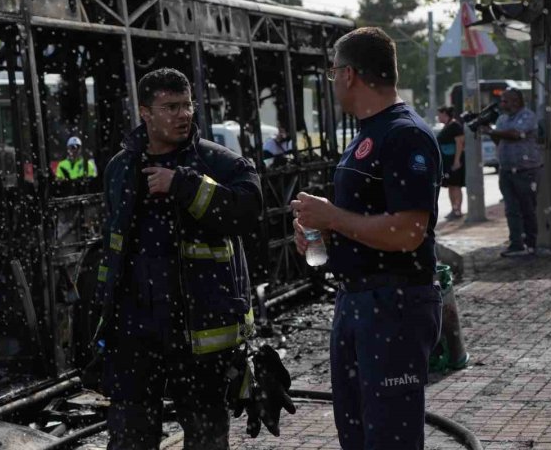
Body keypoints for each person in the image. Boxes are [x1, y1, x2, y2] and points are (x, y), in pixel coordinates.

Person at [94, 67, 266, 450]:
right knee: (129, 436)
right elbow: (112, 247)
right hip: (134, 333)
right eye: (170, 106)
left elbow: (249, 212)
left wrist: (184, 185)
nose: (182, 114)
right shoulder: (121, 169)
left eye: (186, 104)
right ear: (144, 112)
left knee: (205, 435)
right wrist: (101, 317)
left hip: (198, 335)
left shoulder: (220, 164)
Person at [290, 27, 443, 449]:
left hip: (394, 306)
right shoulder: (367, 135)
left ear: (350, 74)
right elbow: (364, 220)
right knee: (358, 437)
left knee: (389, 440)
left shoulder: (404, 134)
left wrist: (334, 217)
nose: (333, 81)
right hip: (359, 302)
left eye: (332, 72)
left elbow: (410, 232)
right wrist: (316, 229)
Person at [479, 88, 542, 257]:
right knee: (511, 209)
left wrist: (492, 131)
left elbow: (516, 134)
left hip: (525, 170)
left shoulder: (527, 116)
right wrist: (487, 129)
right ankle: (516, 244)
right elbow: (499, 139)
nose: (502, 104)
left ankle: (531, 244)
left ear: (516, 101)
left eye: (505, 101)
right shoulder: (502, 119)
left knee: (527, 208)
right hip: (506, 170)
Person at [436, 106, 465, 220]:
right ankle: (453, 208)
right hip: (447, 160)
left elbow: (460, 143)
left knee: (456, 185)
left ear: (445, 114)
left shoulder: (455, 126)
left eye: (439, 114)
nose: (438, 117)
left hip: (454, 159)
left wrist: (457, 161)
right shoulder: (447, 126)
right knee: (451, 185)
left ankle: (458, 209)